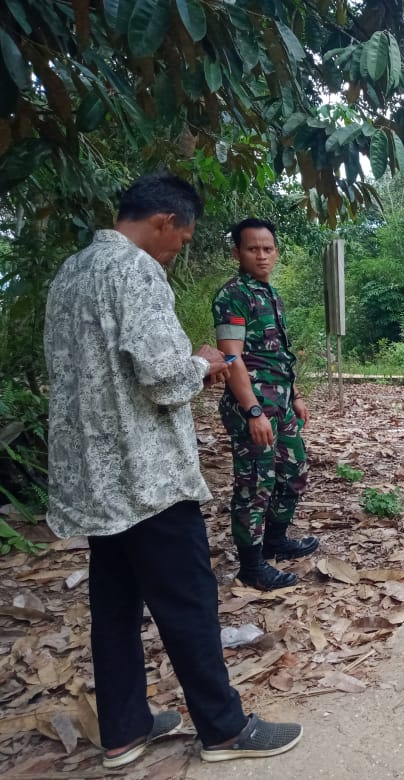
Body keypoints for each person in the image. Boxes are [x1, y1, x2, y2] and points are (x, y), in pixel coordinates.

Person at [44, 173, 302, 768]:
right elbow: (162, 377)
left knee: (114, 606)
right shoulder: (135, 271)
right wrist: (203, 363)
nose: (177, 251)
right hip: (149, 476)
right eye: (181, 240)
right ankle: (224, 730)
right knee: (188, 601)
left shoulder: (72, 272)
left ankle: (124, 729)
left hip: (95, 479)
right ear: (164, 221)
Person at [212, 218, 319, 591]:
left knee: (293, 472)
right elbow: (231, 358)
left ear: (276, 252)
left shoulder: (269, 293)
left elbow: (280, 354)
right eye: (252, 249)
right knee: (255, 483)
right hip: (254, 405)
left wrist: (296, 395)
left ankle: (275, 540)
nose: (261, 255)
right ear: (237, 253)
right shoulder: (233, 296)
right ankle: (251, 565)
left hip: (281, 403)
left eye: (268, 249)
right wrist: (253, 411)